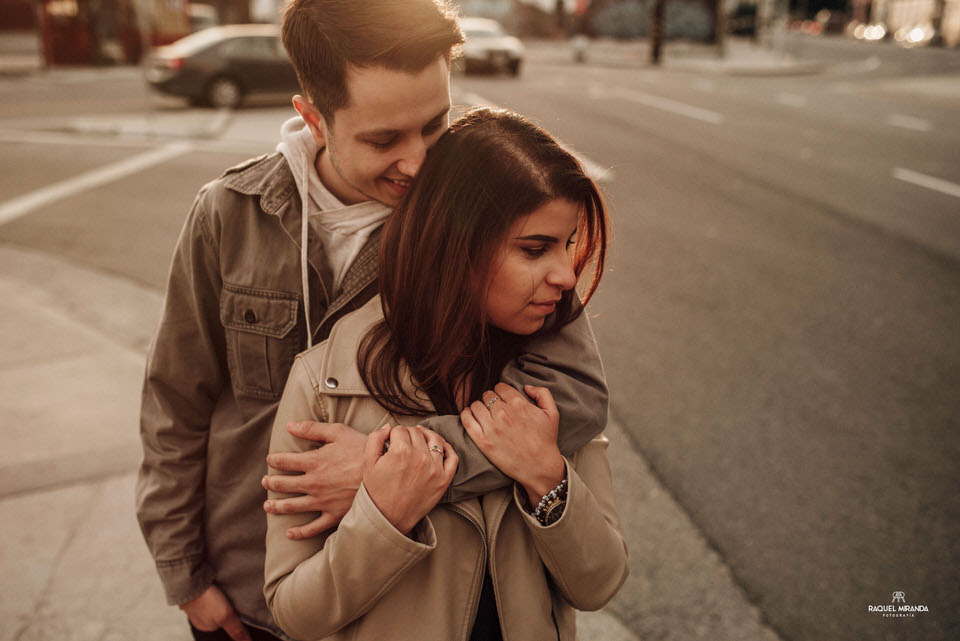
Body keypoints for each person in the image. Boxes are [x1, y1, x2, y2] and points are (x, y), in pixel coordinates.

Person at [135, 1, 609, 640]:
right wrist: (185, 574)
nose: (417, 163)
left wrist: (392, 467)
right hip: (251, 592)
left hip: (409, 597)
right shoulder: (229, 214)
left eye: (434, 124)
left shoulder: (476, 208)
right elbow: (176, 401)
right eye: (384, 139)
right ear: (314, 117)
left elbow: (574, 398)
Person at [264, 107, 629, 641]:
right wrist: (384, 514)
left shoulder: (549, 390)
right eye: (534, 249)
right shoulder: (326, 385)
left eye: (568, 244)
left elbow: (599, 583)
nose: (564, 274)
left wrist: (546, 479)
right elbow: (295, 611)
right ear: (455, 246)